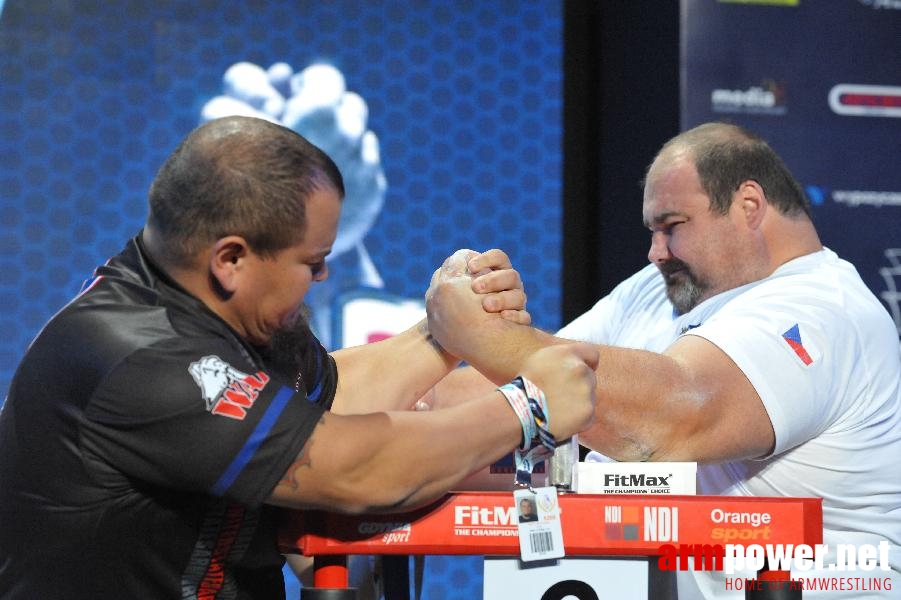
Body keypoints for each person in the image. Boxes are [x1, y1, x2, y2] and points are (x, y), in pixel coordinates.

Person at [0, 116, 600, 599]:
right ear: (231, 259)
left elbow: (320, 405)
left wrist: (444, 333)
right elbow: (352, 468)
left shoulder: (220, 312)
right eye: (311, 262)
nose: (323, 275)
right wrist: (530, 407)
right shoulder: (139, 355)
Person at [427, 122, 901, 598]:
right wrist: (409, 393)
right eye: (653, 231)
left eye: (672, 227)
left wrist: (491, 339)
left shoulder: (823, 309)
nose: (656, 252)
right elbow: (526, 389)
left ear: (749, 206)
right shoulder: (662, 286)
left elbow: (669, 424)